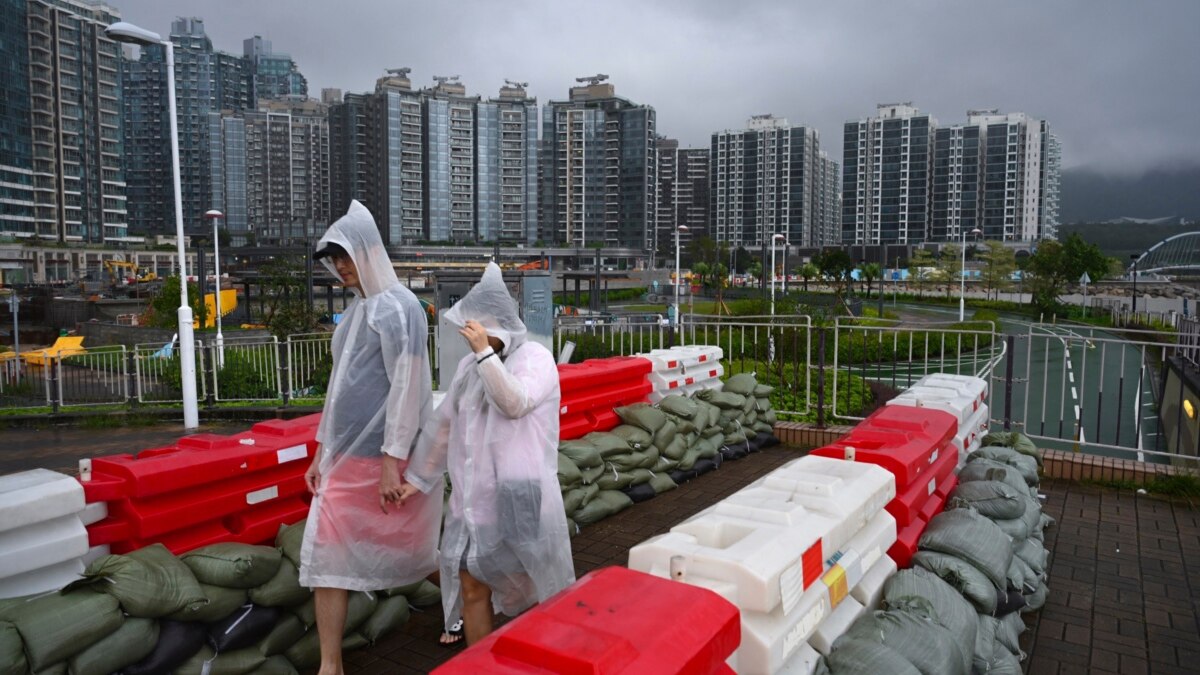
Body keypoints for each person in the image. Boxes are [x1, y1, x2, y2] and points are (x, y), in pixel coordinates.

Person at [299, 200, 443, 674]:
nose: (340, 267)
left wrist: (390, 462)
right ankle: (330, 665)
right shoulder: (358, 312)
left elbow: (407, 391)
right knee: (327, 555)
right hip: (345, 463)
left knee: (419, 554)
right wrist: (322, 453)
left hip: (382, 463)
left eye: (346, 255)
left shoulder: (400, 309)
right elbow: (339, 392)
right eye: (334, 258)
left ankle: (474, 596)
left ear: (369, 252)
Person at [400, 262, 575, 646]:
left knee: (536, 586)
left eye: (476, 327)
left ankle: (543, 655)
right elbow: (444, 426)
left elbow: (516, 402)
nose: (469, 336)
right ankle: (480, 663)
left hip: (520, 494)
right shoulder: (468, 367)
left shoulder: (535, 359)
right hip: (474, 501)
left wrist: (484, 354)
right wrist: (416, 479)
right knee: (472, 585)